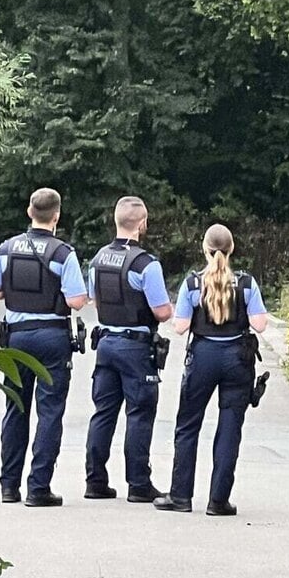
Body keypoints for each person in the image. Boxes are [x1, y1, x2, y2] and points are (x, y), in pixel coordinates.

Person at [0, 188, 87, 507]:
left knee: (16, 409)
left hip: (16, 338)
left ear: (30, 211)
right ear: (56, 216)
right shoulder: (63, 253)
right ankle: (38, 487)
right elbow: (77, 301)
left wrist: (12, 294)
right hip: (52, 338)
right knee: (50, 412)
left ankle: (8, 486)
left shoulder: (6, 248)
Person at [154, 224, 268, 516]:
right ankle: (218, 500)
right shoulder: (246, 283)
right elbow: (260, 324)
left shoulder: (193, 283)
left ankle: (180, 496)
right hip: (238, 361)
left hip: (202, 357)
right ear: (231, 250)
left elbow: (179, 327)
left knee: (188, 425)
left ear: (205, 249)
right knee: (230, 428)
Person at [85, 197, 173, 503]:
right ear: (143, 223)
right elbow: (161, 312)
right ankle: (138, 484)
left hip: (106, 343)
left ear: (116, 220)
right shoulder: (145, 264)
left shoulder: (97, 259)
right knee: (139, 414)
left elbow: (95, 301)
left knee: (103, 413)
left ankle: (95, 481)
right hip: (136, 348)